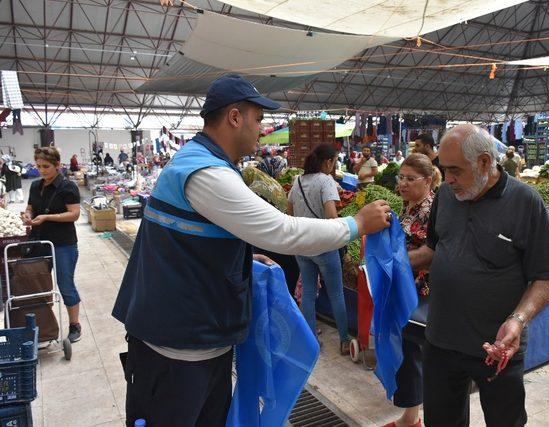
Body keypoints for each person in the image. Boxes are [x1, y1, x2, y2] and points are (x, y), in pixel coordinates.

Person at [111, 74, 392, 426]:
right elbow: (282, 231)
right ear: (234, 117)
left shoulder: (199, 160)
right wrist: (357, 225)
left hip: (199, 341)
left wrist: (239, 255)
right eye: (258, 119)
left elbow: (196, 238)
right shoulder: (206, 173)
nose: (261, 129)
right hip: (176, 348)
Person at [408, 124, 549, 427]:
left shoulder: (526, 202)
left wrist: (518, 320)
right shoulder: (446, 197)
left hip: (496, 347)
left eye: (455, 170)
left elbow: (545, 278)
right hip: (441, 340)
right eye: (444, 169)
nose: (447, 179)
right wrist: (393, 264)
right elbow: (434, 250)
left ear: (485, 162)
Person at [384, 153, 436, 427]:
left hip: (421, 292)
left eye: (410, 179)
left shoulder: (431, 209)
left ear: (428, 181)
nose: (403, 183)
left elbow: (431, 254)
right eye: (401, 177)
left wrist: (393, 263)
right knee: (407, 352)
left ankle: (412, 418)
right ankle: (410, 416)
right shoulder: (408, 205)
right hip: (404, 289)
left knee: (414, 352)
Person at [287, 143, 349, 353]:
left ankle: (311, 341)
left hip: (302, 246)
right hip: (324, 245)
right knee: (336, 294)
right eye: (334, 161)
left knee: (308, 294)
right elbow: (332, 217)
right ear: (328, 161)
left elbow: (289, 212)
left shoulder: (298, 181)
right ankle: (343, 340)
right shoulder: (326, 181)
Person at [21, 147, 83, 342]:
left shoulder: (68, 187)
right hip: (39, 242)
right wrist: (27, 216)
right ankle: (43, 323)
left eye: (46, 166)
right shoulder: (34, 186)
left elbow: (74, 214)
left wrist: (47, 216)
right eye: (38, 166)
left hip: (63, 244)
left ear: (57, 165)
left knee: (65, 284)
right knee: (37, 283)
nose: (42, 170)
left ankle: (74, 324)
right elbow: (30, 207)